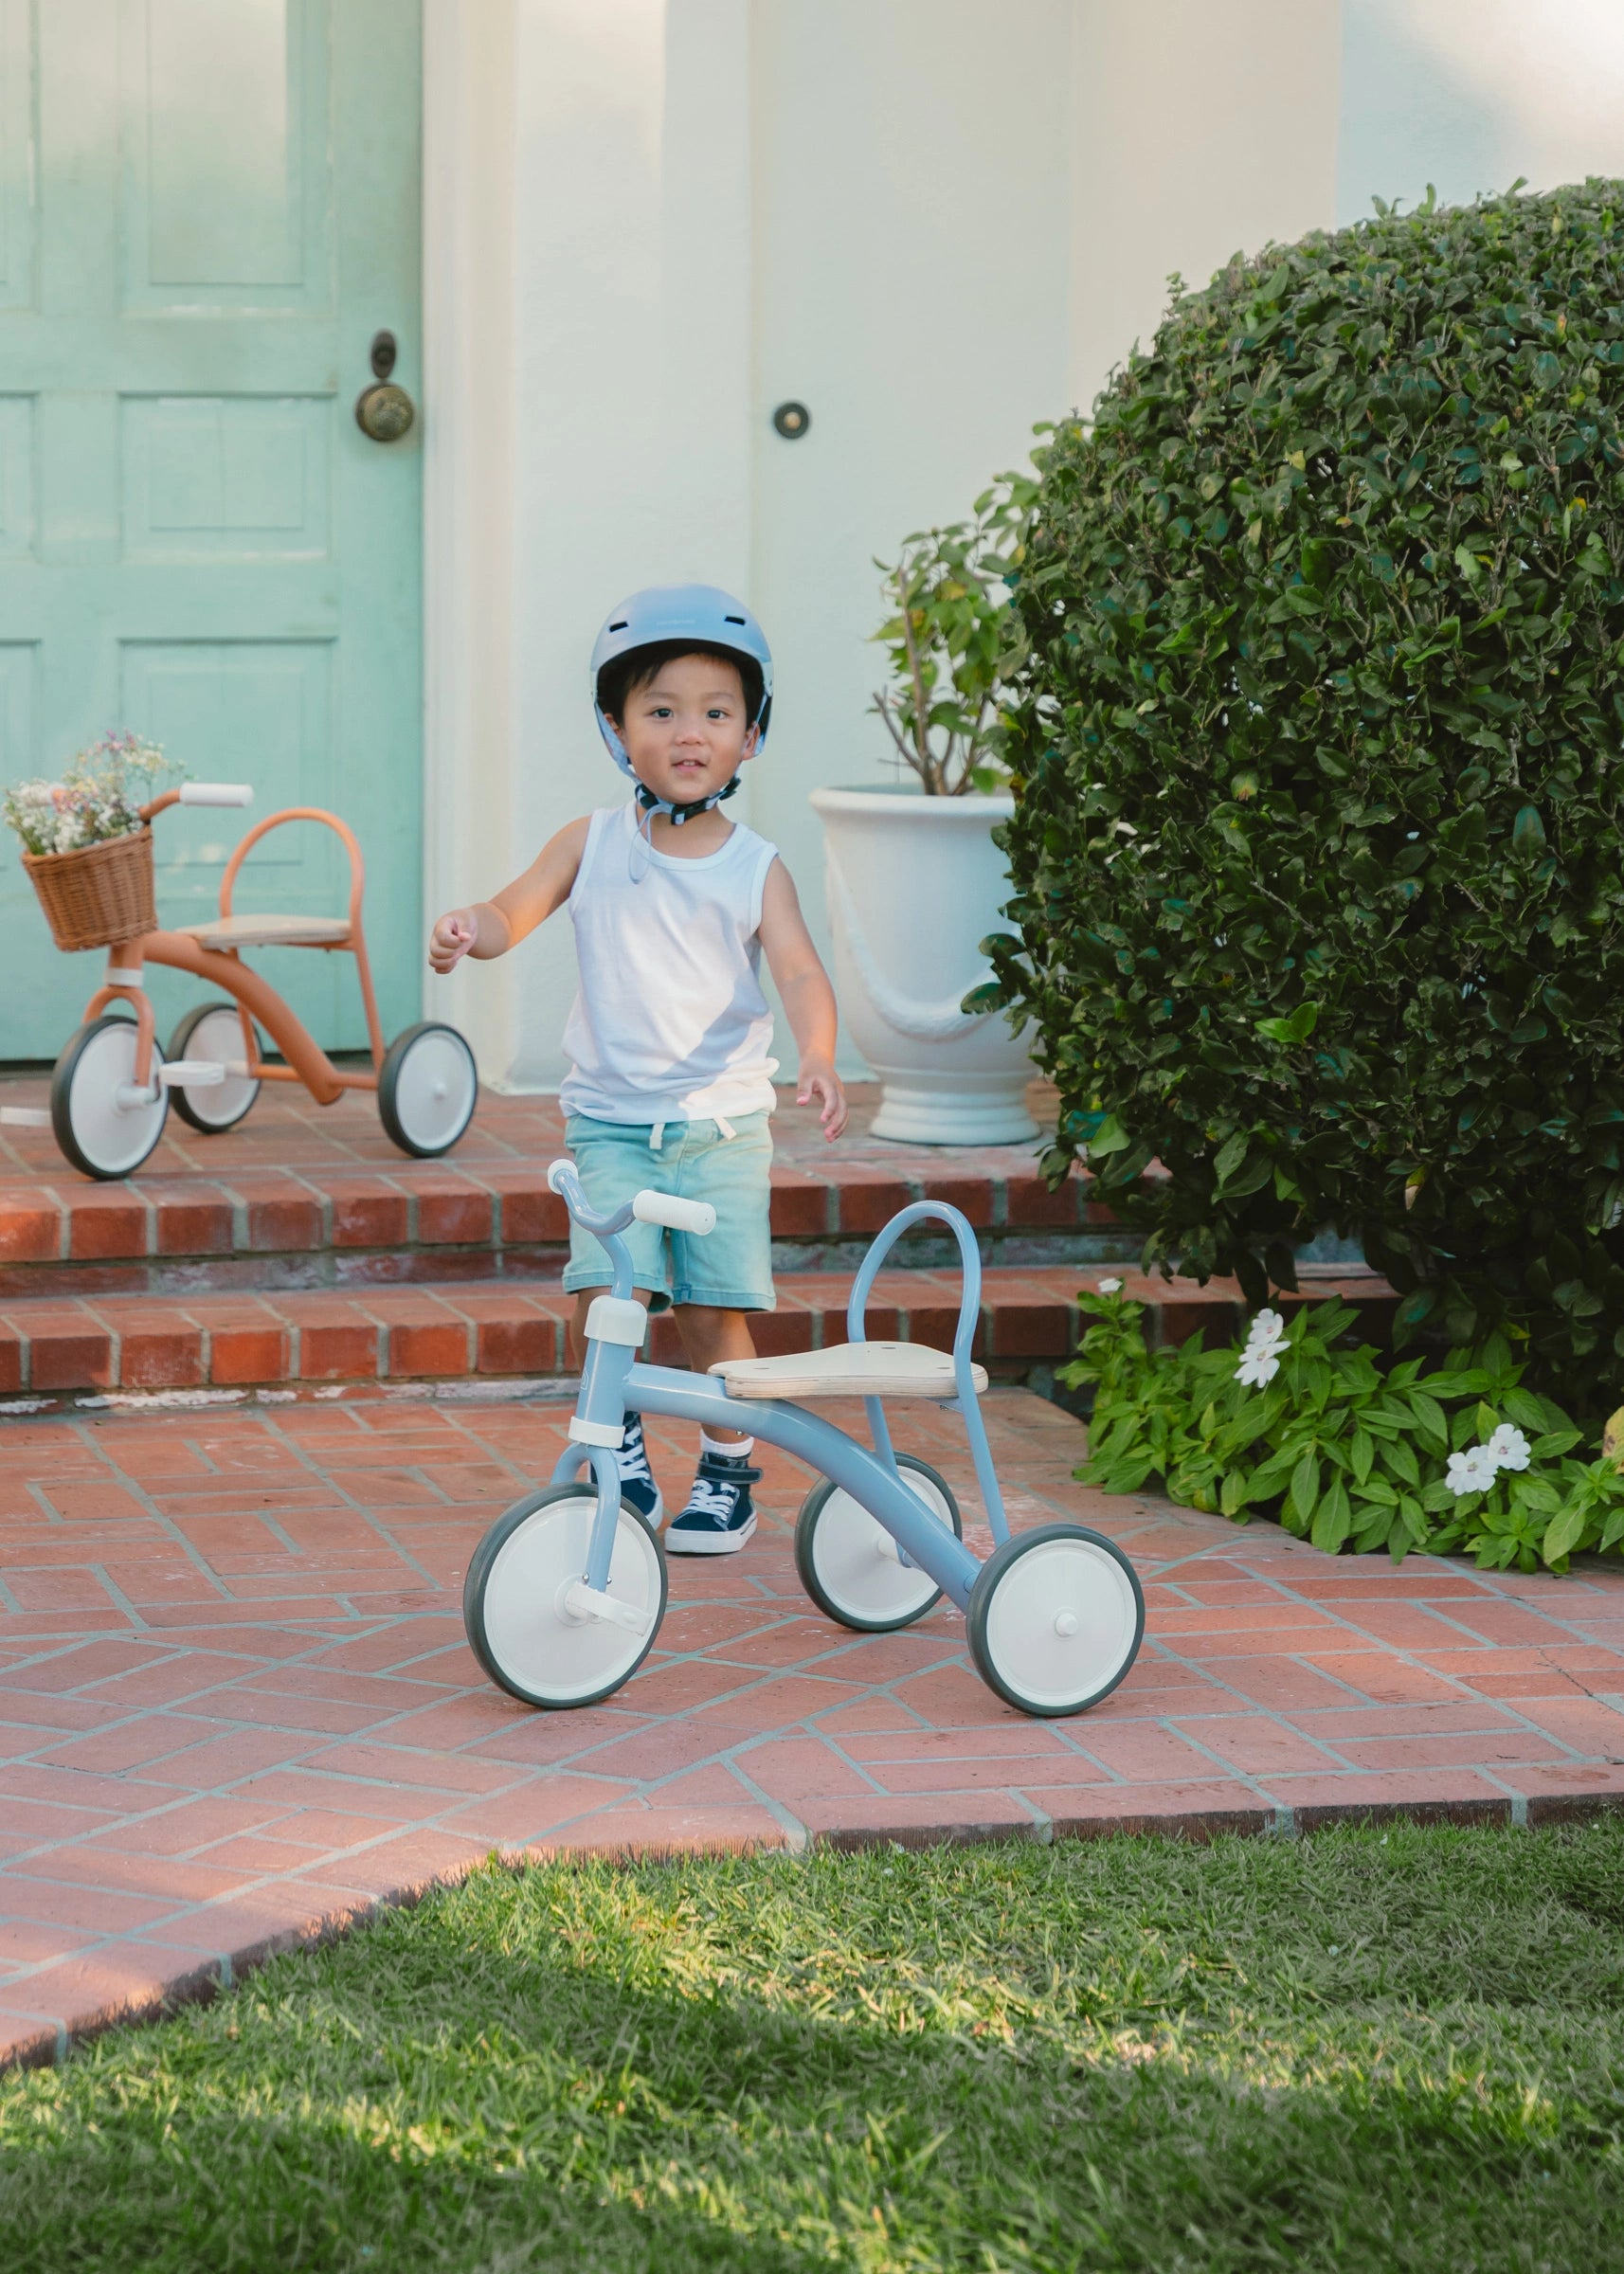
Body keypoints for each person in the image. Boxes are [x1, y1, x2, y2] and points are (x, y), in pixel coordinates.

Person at [427, 586, 847, 1554]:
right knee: (603, 1298)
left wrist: (818, 1052)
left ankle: (728, 1469)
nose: (689, 732)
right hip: (612, 1124)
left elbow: (797, 969)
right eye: (661, 710)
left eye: (716, 712)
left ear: (750, 735)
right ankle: (615, 1441)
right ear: (618, 730)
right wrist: (470, 930)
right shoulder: (591, 840)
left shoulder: (755, 866)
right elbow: (513, 910)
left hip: (721, 1131)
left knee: (711, 1316)